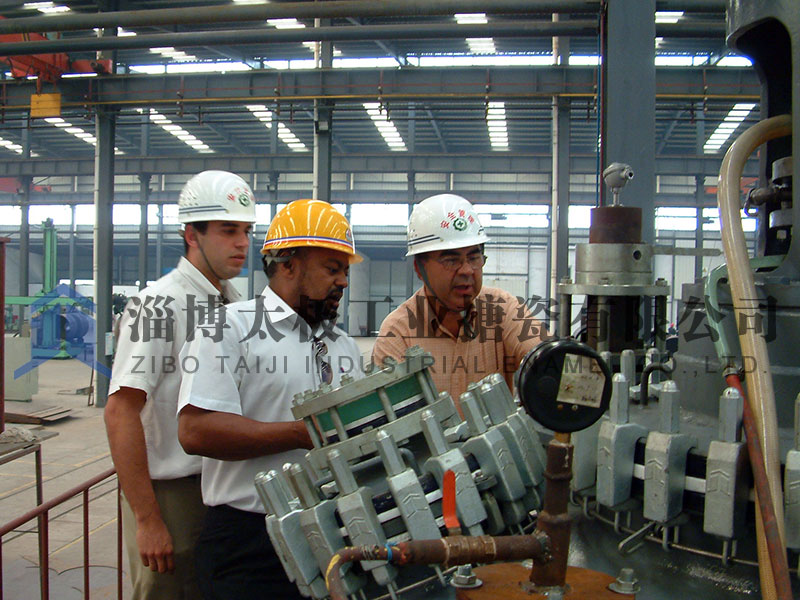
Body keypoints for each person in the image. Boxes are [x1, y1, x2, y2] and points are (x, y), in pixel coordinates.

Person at [176, 199, 363, 600]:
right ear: (288, 264)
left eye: (346, 271)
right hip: (249, 543)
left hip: (334, 532)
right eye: (332, 269)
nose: (344, 282)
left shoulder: (343, 345)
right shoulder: (228, 329)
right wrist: (303, 433)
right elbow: (196, 430)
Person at [104, 170, 256, 600]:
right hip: (172, 495)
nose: (242, 243)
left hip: (221, 487)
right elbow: (120, 411)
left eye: (246, 231)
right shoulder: (158, 305)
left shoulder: (234, 304)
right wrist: (148, 519)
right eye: (228, 230)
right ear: (192, 234)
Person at [373, 193, 547, 405]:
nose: (467, 270)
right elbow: (397, 416)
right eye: (451, 260)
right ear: (420, 269)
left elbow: (545, 357)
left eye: (474, 258)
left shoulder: (502, 309)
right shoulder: (398, 333)